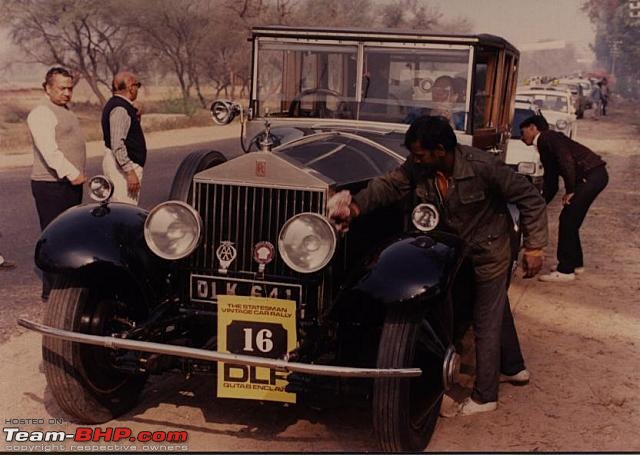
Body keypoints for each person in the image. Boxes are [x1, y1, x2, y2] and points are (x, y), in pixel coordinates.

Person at [329, 115, 548, 416]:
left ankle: (485, 396)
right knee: (494, 309)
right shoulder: (419, 167)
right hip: (457, 253)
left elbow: (530, 198)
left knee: (484, 319)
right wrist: (355, 207)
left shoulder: (483, 166)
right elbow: (389, 186)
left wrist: (535, 247)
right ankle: (514, 367)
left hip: (490, 251)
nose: (415, 159)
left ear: (441, 150)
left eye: (420, 154)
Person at [519, 115, 608, 282]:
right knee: (570, 220)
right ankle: (575, 264)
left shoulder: (547, 138)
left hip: (592, 175)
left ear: (533, 127)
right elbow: (551, 181)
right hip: (594, 175)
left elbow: (566, 160)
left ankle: (566, 270)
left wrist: (571, 190)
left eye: (523, 131)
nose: (521, 136)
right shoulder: (545, 143)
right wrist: (539, 204)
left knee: (567, 220)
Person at [27, 67, 87, 301]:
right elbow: (50, 152)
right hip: (51, 186)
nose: (67, 93)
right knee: (54, 237)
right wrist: (72, 173)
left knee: (70, 234)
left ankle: (66, 288)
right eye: (61, 88)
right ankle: (52, 294)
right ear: (47, 88)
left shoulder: (63, 110)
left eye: (70, 88)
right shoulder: (41, 113)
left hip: (68, 183)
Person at [102, 71, 147, 204]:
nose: (137, 89)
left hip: (122, 164)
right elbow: (117, 144)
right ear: (131, 87)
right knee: (124, 208)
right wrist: (129, 172)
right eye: (137, 85)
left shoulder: (120, 105)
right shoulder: (120, 109)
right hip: (122, 166)